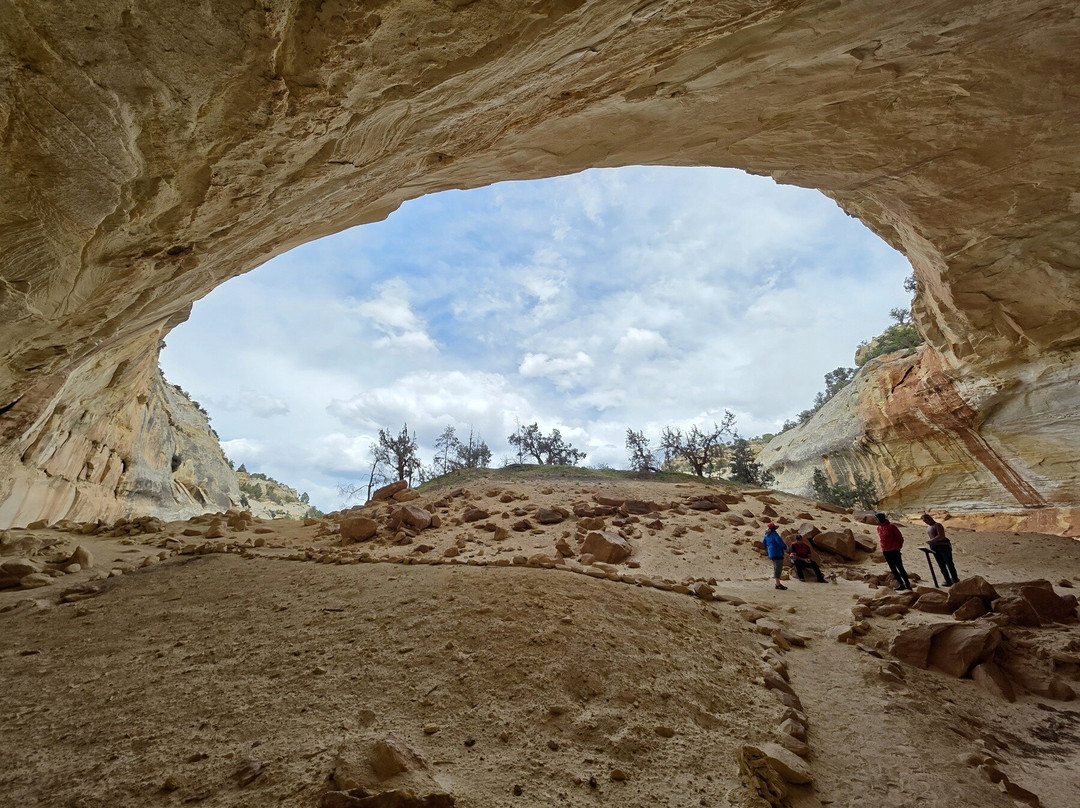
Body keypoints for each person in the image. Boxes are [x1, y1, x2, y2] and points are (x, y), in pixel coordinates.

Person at [875, 512, 912, 590]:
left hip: (894, 550)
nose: (876, 520)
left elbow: (900, 538)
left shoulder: (891, 527)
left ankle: (907, 584)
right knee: (893, 569)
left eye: (876, 519)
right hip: (885, 550)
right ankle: (901, 584)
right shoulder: (879, 528)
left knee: (900, 567)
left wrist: (898, 547)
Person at [921, 513, 958, 586]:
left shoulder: (937, 525)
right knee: (941, 565)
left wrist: (931, 541)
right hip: (935, 547)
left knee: (949, 563)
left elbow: (941, 536)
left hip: (943, 547)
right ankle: (947, 580)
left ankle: (955, 579)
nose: (925, 522)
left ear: (929, 519)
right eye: (924, 521)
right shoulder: (928, 527)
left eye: (926, 520)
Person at [762, 522, 788, 590]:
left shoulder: (767, 535)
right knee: (778, 568)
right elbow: (780, 542)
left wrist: (770, 546)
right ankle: (778, 584)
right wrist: (785, 547)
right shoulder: (775, 534)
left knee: (775, 567)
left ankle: (777, 583)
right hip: (777, 552)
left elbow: (764, 542)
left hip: (771, 553)